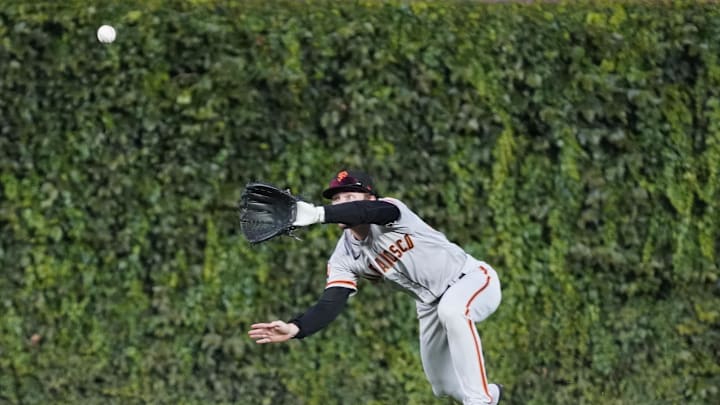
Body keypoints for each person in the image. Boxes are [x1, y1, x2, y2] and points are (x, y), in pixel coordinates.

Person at [248, 169, 504, 404]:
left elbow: (368, 213)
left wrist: (318, 214)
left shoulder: (391, 211)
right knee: (442, 384)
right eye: (336, 200)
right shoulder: (343, 258)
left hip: (472, 280)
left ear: (370, 198)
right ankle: (492, 395)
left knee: (453, 311)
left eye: (350, 196)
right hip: (428, 304)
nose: (341, 204)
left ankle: (479, 400)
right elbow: (331, 302)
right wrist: (296, 327)